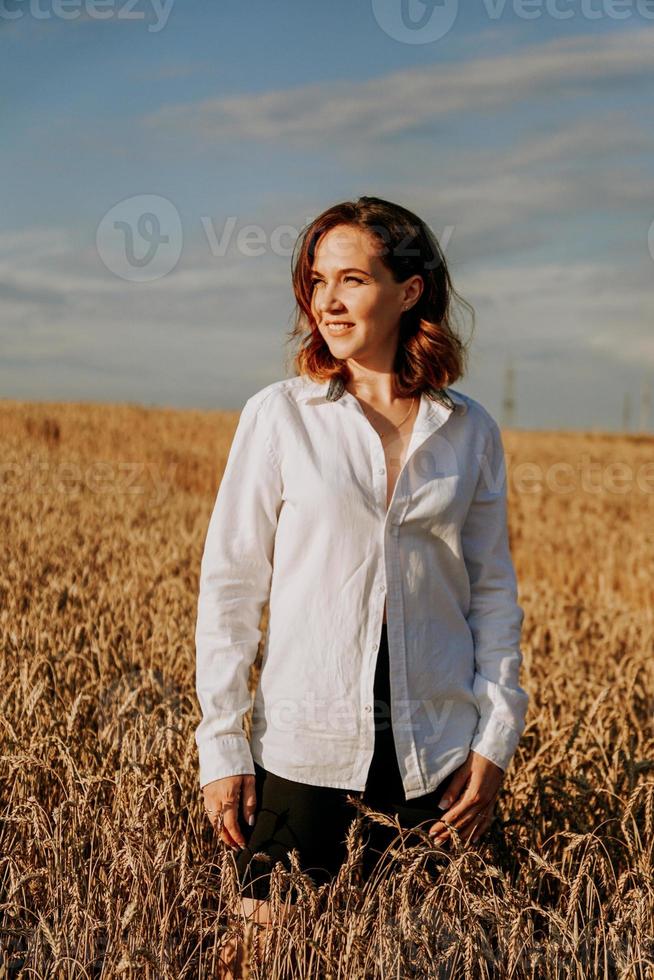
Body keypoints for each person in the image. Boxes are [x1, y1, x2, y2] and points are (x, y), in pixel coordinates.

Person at [194, 196, 530, 972]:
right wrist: (223, 746)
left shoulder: (469, 428)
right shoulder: (280, 416)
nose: (329, 301)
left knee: (442, 960)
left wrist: (496, 740)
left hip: (440, 757)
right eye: (317, 281)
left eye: (352, 279)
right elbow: (231, 587)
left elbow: (492, 593)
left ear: (409, 291)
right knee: (259, 958)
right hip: (304, 748)